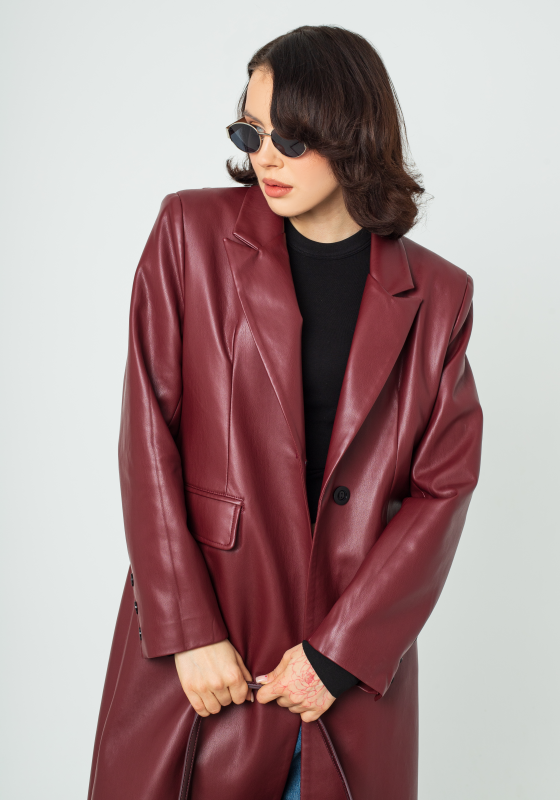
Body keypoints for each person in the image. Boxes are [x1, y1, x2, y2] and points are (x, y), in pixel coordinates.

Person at [87, 25, 483, 800]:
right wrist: (186, 628)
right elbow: (148, 437)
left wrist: (339, 653)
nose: (265, 158)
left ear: (351, 136)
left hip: (339, 678)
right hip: (207, 660)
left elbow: (443, 486)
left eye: (292, 140)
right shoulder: (189, 236)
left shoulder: (438, 296)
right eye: (251, 133)